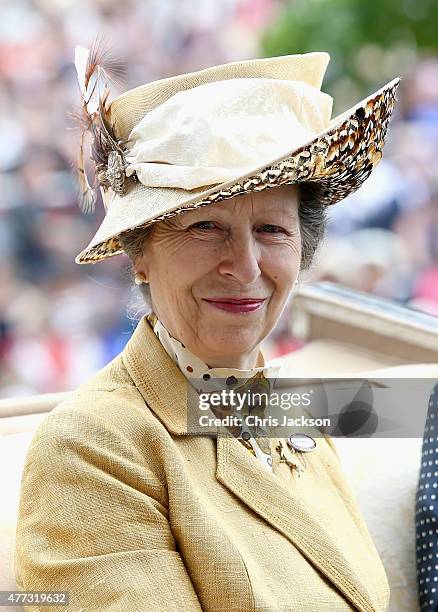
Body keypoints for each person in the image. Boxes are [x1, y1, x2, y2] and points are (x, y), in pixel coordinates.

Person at [14, 47, 400, 610]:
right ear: (139, 254)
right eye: (205, 227)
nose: (245, 267)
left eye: (271, 229)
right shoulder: (91, 446)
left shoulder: (291, 415)